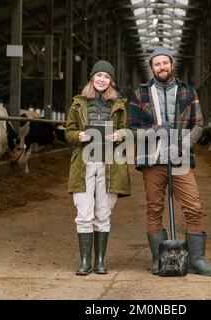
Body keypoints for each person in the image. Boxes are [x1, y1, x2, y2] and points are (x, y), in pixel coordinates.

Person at [128, 47, 211, 276]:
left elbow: (198, 124)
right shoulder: (141, 94)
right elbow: (131, 129)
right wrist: (156, 129)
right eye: (157, 64)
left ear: (171, 65)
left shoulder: (188, 92)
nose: (162, 67)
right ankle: (159, 258)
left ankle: (197, 259)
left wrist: (183, 145)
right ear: (151, 68)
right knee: (154, 208)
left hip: (180, 159)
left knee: (193, 206)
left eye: (165, 63)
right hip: (152, 159)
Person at [66, 60, 130, 275]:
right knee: (84, 212)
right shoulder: (78, 103)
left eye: (107, 76)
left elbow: (126, 131)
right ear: (92, 78)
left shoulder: (119, 104)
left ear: (111, 80)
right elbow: (68, 132)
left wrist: (119, 135)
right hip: (84, 162)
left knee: (103, 213)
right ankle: (85, 261)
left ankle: (100, 261)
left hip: (110, 163)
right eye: (98, 75)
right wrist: (79, 136)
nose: (102, 79)